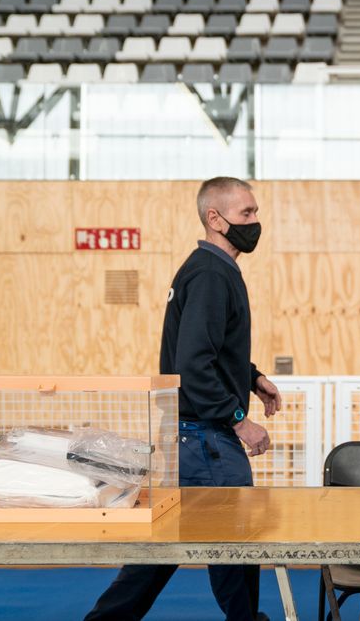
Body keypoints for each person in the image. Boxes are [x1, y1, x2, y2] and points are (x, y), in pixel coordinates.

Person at [86, 176, 282, 621]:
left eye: (255, 211)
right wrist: (239, 419)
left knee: (162, 550)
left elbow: (206, 348)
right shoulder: (211, 274)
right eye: (246, 213)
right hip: (207, 439)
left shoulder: (209, 268)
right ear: (215, 218)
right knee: (233, 544)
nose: (255, 221)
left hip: (190, 437)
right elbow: (193, 364)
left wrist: (251, 377)